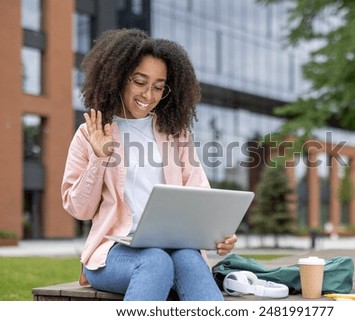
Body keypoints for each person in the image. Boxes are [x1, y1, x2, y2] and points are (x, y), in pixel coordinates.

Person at [61, 28, 237, 301]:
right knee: (156, 260)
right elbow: (79, 209)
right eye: (140, 82)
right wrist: (99, 157)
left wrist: (218, 234)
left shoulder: (176, 133)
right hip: (111, 255)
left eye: (158, 86)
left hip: (175, 249)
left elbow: (201, 195)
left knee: (189, 259)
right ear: (118, 78)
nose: (148, 94)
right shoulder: (90, 133)